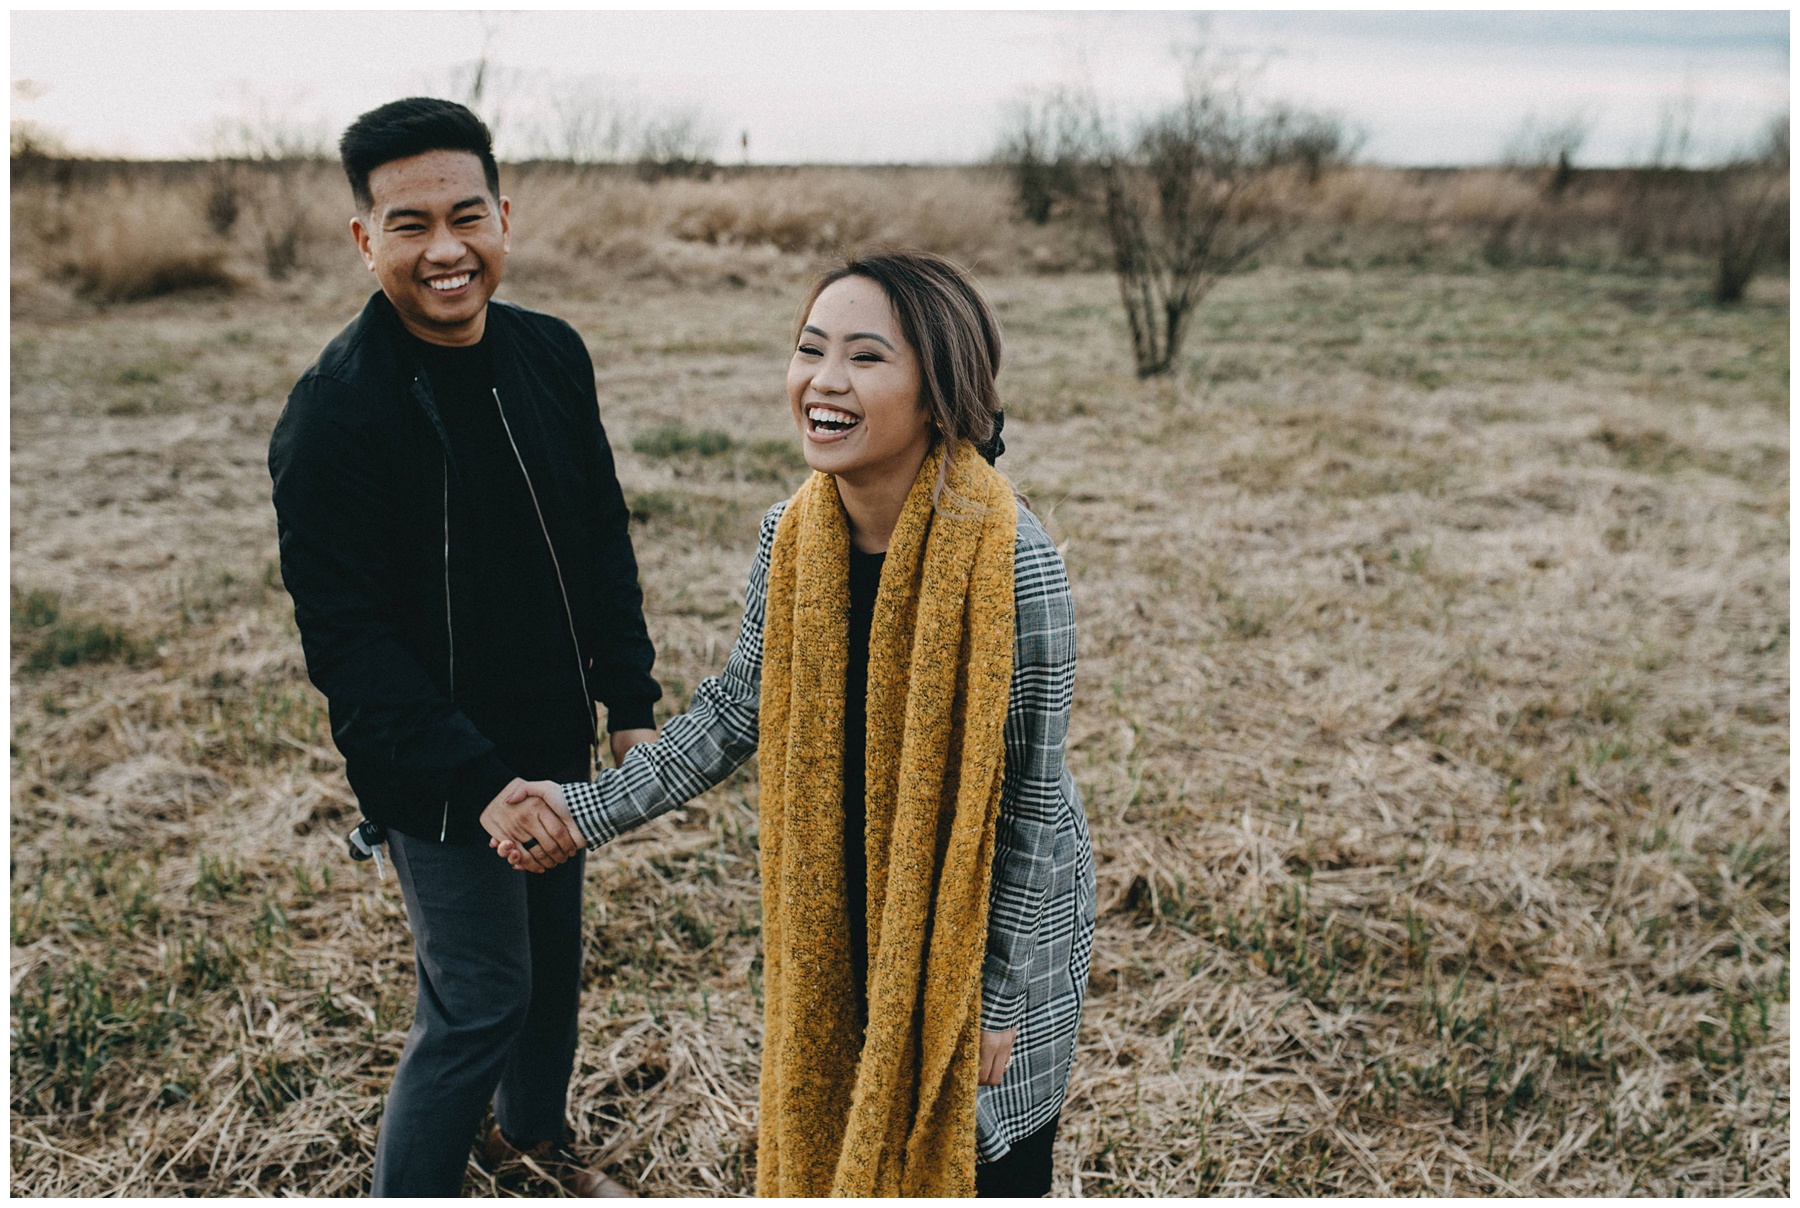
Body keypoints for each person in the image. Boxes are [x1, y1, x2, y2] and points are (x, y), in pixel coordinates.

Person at [500, 250, 1096, 1197]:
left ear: (941, 394)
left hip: (977, 928)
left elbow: (1029, 799)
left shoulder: (1016, 559)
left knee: (983, 1161)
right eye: (810, 350)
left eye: (866, 358)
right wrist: (585, 809)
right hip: (845, 897)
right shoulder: (792, 537)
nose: (824, 381)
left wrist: (998, 998)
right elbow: (739, 708)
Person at [267, 97, 659, 1198]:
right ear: (364, 239)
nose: (445, 249)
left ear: (503, 215)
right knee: (480, 994)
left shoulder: (549, 353)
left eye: (465, 214)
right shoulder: (334, 415)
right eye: (408, 224)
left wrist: (627, 696)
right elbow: (347, 646)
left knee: (549, 980)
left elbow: (598, 534)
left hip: (554, 739)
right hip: (437, 774)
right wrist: (477, 781)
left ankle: (532, 1144)